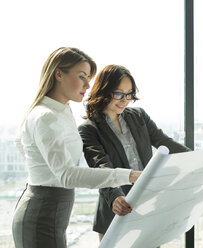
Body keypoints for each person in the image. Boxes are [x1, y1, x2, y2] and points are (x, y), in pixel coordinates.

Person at [12, 48, 141, 248]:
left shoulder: (61, 111)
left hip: (52, 212)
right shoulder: (45, 116)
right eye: (82, 77)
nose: (88, 85)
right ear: (59, 74)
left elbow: (24, 147)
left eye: (88, 78)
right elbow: (67, 176)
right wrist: (130, 175)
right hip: (42, 215)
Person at [78, 64, 191, 241]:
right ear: (104, 91)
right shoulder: (89, 129)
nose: (124, 100)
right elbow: (101, 167)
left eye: (129, 94)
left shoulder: (138, 116)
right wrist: (115, 197)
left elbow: (165, 143)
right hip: (116, 211)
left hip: (148, 207)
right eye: (118, 93)